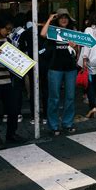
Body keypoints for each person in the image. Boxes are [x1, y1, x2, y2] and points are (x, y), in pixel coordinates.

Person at [40, 8, 79, 136]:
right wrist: (50, 19)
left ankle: (67, 123)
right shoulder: (53, 31)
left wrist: (75, 46)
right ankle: (53, 125)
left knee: (70, 97)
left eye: (66, 17)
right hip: (55, 68)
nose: (64, 19)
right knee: (54, 97)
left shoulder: (72, 31)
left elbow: (78, 49)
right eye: (61, 17)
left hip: (70, 68)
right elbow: (42, 34)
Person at [0, 14, 26, 150]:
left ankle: (11, 134)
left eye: (11, 29)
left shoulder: (8, 41)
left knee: (13, 109)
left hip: (5, 80)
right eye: (7, 29)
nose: (9, 32)